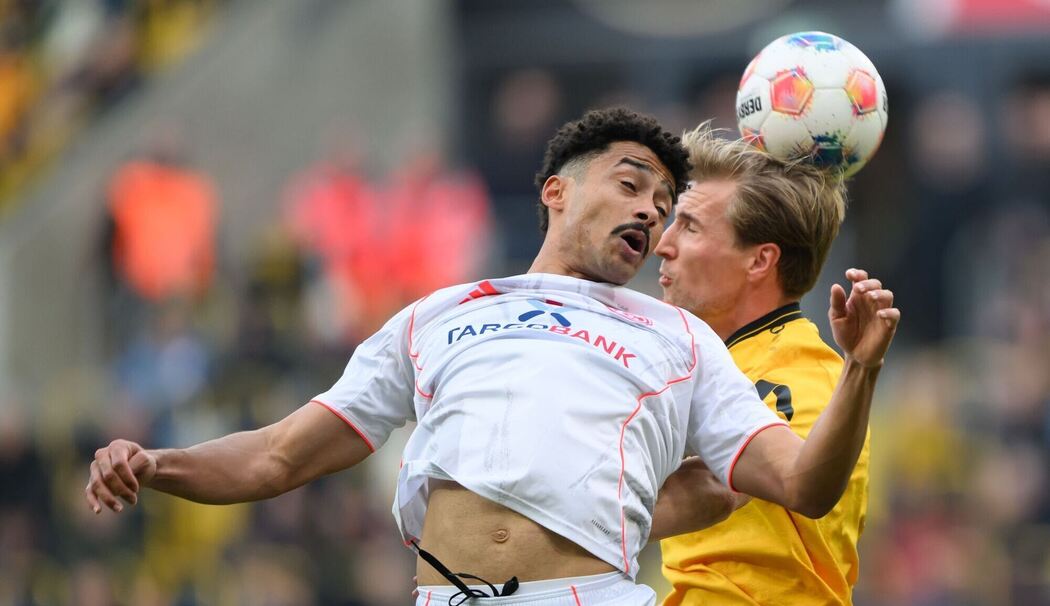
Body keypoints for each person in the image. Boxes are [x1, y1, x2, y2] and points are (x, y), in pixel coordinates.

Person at [85, 108, 899, 605]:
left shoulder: (678, 339)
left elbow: (804, 485)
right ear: (556, 191)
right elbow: (276, 456)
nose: (652, 216)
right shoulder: (439, 314)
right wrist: (157, 464)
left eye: (665, 205)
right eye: (631, 186)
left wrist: (861, 368)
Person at [652, 126, 872, 605]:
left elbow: (727, 486)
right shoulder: (709, 364)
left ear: (759, 261)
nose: (662, 245)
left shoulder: (799, 371)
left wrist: (566, 526)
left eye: (690, 226)